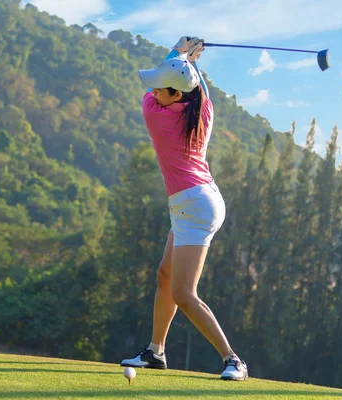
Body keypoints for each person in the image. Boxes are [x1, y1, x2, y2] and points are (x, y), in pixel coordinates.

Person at [119, 36, 248, 381]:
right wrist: (187, 62)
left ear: (176, 94)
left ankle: (233, 360)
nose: (155, 91)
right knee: (165, 275)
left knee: (183, 292)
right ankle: (156, 352)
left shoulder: (156, 116)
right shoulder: (202, 109)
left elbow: (164, 87)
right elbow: (197, 88)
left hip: (194, 206)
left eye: (162, 88)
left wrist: (179, 52)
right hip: (197, 199)